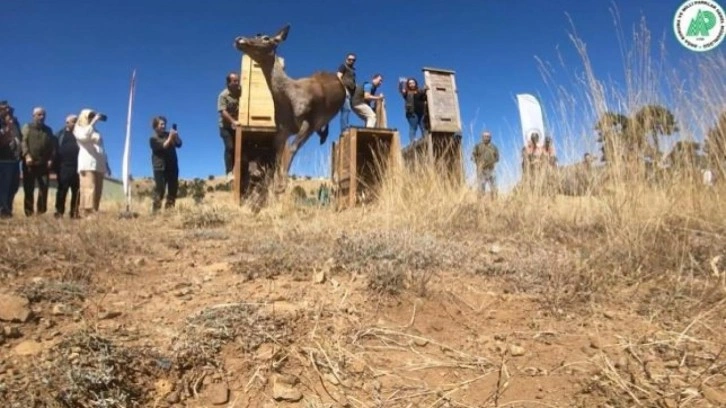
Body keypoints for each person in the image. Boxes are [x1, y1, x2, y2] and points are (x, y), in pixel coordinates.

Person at [74, 108, 110, 217]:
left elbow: (101, 148)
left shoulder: (96, 131)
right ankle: (86, 212)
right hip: (87, 163)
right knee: (89, 187)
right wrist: (94, 122)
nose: (92, 118)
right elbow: (83, 137)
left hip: (99, 164)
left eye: (93, 116)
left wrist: (106, 164)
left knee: (98, 189)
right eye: (90, 116)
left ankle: (94, 210)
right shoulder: (78, 128)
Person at [20, 107, 55, 216]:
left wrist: (50, 159)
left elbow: (52, 147)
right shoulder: (27, 127)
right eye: (39, 115)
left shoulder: (48, 130)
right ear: (33, 116)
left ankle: (41, 212)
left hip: (43, 164)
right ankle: (29, 213)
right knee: (29, 189)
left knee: (43, 188)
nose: (42, 117)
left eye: (43, 115)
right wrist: (26, 155)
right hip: (30, 163)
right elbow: (23, 142)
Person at [149, 116, 182, 212]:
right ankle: (156, 211)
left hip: (172, 166)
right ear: (156, 126)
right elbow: (163, 146)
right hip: (160, 167)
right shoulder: (153, 139)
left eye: (164, 124)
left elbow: (179, 144)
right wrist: (170, 138)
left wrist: (176, 136)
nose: (164, 126)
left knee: (173, 189)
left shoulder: (169, 134)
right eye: (161, 124)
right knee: (160, 190)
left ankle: (169, 211)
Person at [54, 114, 80, 218]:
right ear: (67, 123)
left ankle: (74, 213)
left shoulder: (80, 134)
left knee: (77, 191)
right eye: (73, 121)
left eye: (77, 121)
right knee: (62, 190)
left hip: (77, 168)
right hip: (63, 167)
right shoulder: (60, 134)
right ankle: (59, 212)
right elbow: (54, 149)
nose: (75, 123)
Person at [217, 72, 241, 181]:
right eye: (234, 81)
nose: (237, 83)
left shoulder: (241, 91)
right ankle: (229, 172)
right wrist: (233, 121)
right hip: (225, 126)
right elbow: (223, 112)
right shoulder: (223, 95)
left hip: (237, 126)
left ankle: (238, 170)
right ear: (229, 83)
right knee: (230, 147)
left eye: (238, 80)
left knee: (239, 149)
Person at [0, 101, 21, 218]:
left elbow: (19, 137)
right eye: (4, 109)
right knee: (3, 187)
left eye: (10, 109)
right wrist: (8, 127)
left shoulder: (15, 122)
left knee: (13, 186)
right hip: (3, 160)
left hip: (14, 160)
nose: (8, 111)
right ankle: (2, 211)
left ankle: (8, 209)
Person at [399, 78, 428, 143]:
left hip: (421, 112)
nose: (412, 84)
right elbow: (401, 90)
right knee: (413, 127)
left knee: (423, 127)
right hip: (412, 113)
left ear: (415, 83)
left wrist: (425, 90)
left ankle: (426, 140)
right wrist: (402, 83)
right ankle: (413, 141)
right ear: (408, 85)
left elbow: (424, 98)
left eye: (413, 83)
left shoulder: (420, 91)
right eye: (410, 83)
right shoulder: (407, 92)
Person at [472, 131, 499, 198]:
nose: (486, 138)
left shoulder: (494, 147)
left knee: (494, 187)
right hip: (481, 170)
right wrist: (478, 163)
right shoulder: (478, 146)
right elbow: (473, 156)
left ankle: (494, 203)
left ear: (490, 138)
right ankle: (480, 204)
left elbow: (497, 158)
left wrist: (492, 162)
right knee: (481, 188)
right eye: (485, 136)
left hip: (491, 170)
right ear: (482, 137)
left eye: (488, 136)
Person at [336, 53, 357, 131]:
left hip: (350, 93)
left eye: (353, 60)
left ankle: (345, 128)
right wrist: (344, 89)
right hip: (344, 91)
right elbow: (338, 77)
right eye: (349, 59)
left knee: (347, 109)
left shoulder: (352, 70)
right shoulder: (343, 66)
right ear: (346, 59)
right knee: (346, 109)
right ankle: (344, 130)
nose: (351, 61)